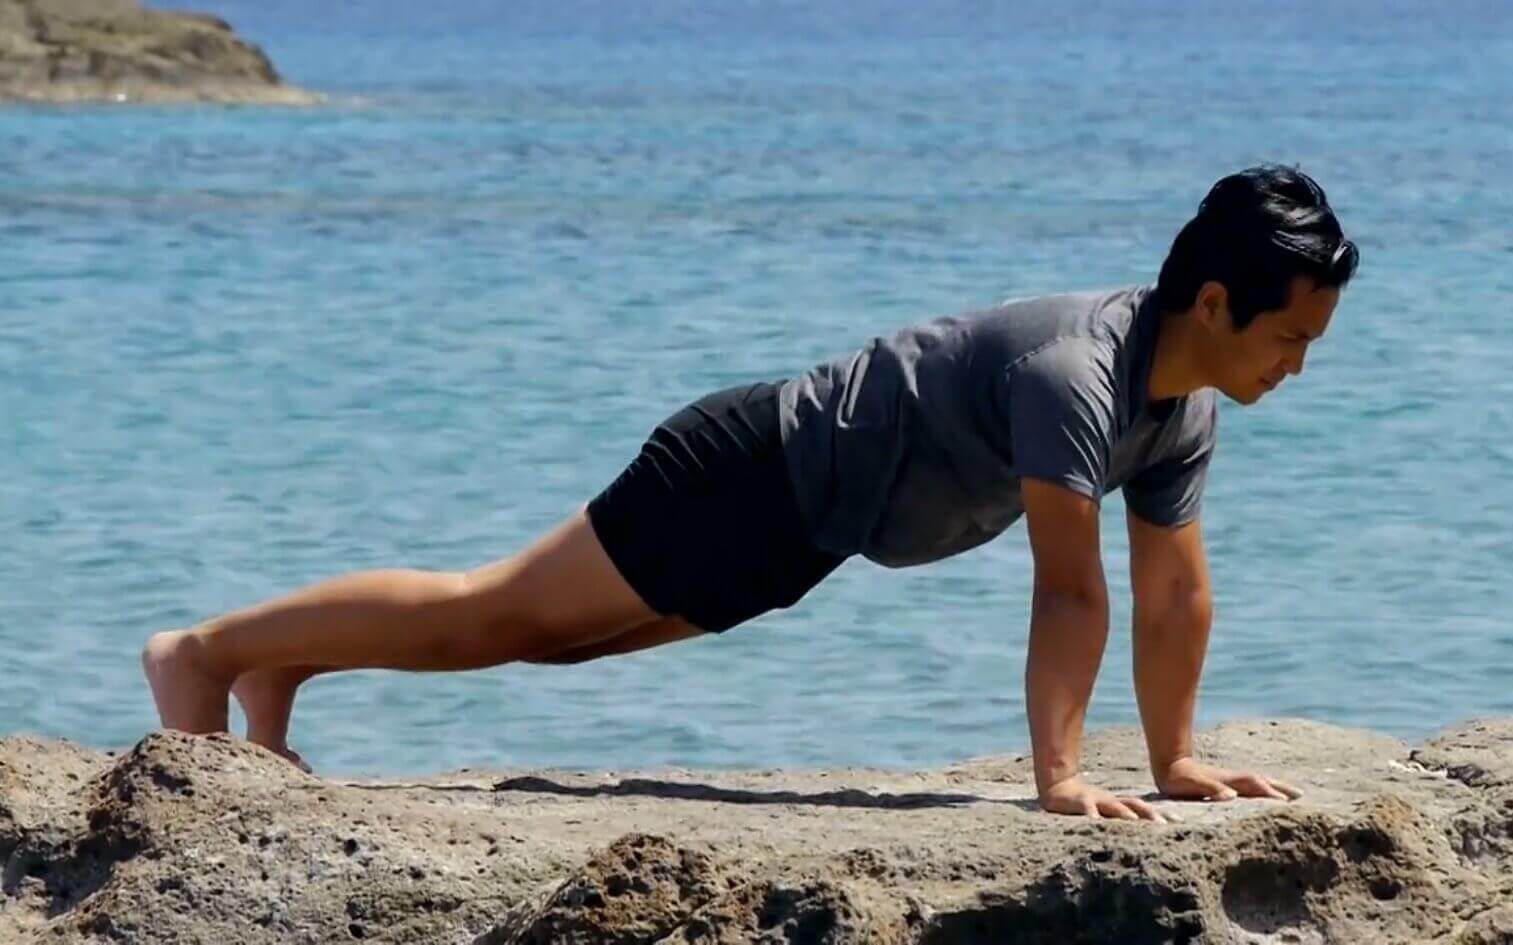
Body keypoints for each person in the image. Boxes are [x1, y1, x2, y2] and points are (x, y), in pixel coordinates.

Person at [144, 164, 1358, 821]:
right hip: (747, 467)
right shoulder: (1075, 373)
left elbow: (1174, 597)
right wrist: (1054, 781)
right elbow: (1070, 593)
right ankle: (203, 654)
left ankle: (281, 666)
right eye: (1290, 337)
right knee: (496, 612)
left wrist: (1176, 763)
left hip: (807, 528)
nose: (1296, 366)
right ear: (1212, 303)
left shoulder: (1181, 410)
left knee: (541, 645)